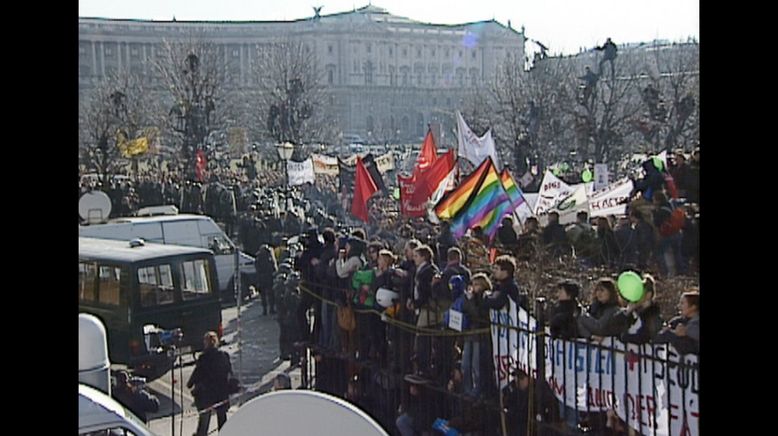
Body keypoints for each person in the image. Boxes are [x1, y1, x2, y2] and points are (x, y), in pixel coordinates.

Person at [188, 331, 233, 436]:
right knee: (222, 419)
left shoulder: (203, 358)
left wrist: (190, 384)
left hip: (207, 394)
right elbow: (230, 371)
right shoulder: (223, 355)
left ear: (206, 343)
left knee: (204, 421)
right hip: (221, 393)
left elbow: (197, 374)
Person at [614, 274, 662, 345]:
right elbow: (614, 325)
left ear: (648, 295)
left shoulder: (653, 315)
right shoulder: (633, 312)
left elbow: (644, 336)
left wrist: (624, 337)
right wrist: (627, 313)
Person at [255, 244, 278, 315]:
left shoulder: (258, 258)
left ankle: (265, 310)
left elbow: (257, 268)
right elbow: (273, 267)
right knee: (270, 294)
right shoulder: (269, 257)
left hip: (261, 278)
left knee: (263, 295)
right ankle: (271, 309)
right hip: (268, 277)